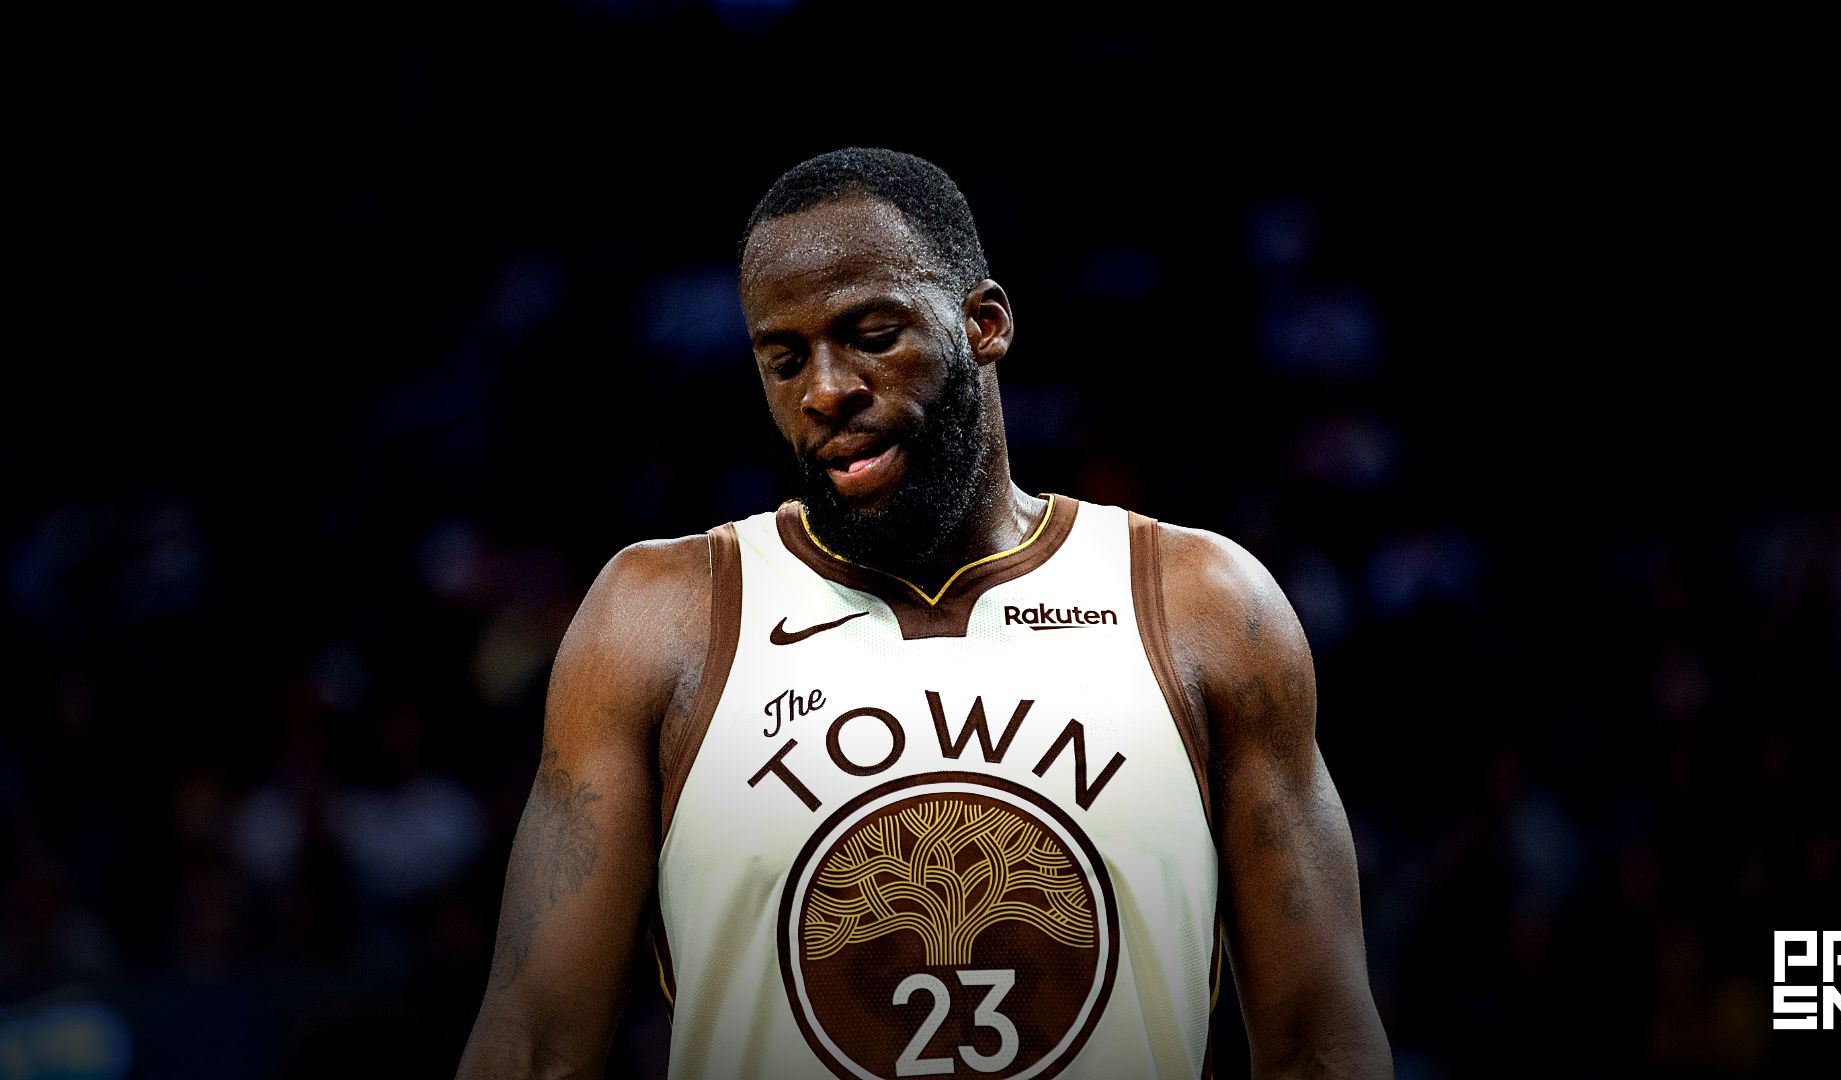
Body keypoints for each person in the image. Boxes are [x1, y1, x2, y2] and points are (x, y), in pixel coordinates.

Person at [456, 147, 1392, 1080]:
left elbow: (1321, 1043)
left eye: (870, 335)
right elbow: (535, 1044)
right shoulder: (655, 620)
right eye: (784, 361)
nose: (825, 391)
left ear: (984, 324)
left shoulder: (1205, 605)